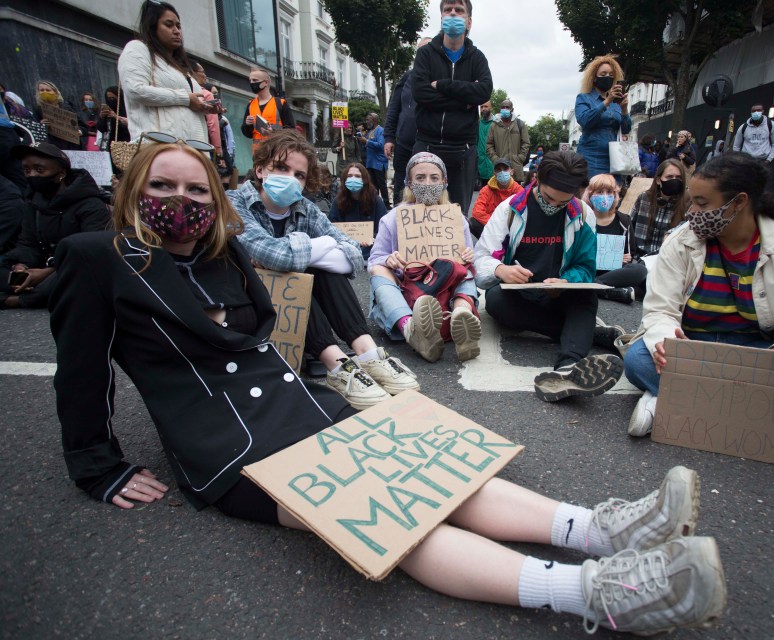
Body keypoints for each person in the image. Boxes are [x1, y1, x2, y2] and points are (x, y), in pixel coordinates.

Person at [49, 137, 728, 629]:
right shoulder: (96, 259)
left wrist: (344, 363)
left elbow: (282, 320)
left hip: (301, 403)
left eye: (197, 189)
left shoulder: (224, 251)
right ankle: (597, 590)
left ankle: (600, 528)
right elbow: (80, 369)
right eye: (162, 187)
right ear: (134, 191)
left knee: (434, 470)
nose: (181, 201)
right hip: (227, 446)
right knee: (399, 517)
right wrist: (95, 466)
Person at [623, 152, 774, 437]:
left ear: (738, 202)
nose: (692, 213)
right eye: (692, 202)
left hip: (756, 350)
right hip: (691, 344)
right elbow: (660, 311)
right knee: (638, 359)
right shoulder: (680, 242)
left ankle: (666, 399)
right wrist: (664, 338)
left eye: (702, 204)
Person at [229, 130, 417, 408]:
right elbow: (272, 255)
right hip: (250, 307)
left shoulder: (305, 208)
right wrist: (321, 246)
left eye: (299, 174)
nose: (290, 178)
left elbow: (353, 256)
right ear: (260, 169)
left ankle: (367, 354)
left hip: (292, 307)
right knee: (292, 271)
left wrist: (303, 253)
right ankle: (337, 365)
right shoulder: (236, 202)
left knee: (320, 269)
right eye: (281, 168)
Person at [475, 150, 625, 402]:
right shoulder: (509, 209)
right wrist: (501, 270)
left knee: (587, 296)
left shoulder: (584, 215)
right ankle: (589, 334)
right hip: (519, 295)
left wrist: (568, 281)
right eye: (548, 197)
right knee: (495, 300)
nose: (554, 205)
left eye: (563, 202)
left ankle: (568, 368)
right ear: (537, 179)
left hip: (560, 294)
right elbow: (480, 261)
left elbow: (586, 268)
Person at [368, 151, 482, 363]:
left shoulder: (457, 219)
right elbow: (374, 261)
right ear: (409, 183)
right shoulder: (392, 218)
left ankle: (461, 313)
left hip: (446, 289)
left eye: (434, 178)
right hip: (408, 289)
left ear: (444, 182)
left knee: (466, 269)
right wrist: (388, 260)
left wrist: (468, 255)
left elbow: (469, 258)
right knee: (378, 271)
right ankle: (411, 328)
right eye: (420, 178)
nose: (427, 183)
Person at [1, 143, 110, 309]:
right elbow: (28, 243)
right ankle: (28, 287)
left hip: (75, 266)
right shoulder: (33, 202)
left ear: (61, 174)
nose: (32, 175)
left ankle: (18, 299)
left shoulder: (91, 205)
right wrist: (20, 265)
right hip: (43, 265)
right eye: (27, 170)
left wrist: (48, 272)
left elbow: (92, 253)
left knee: (73, 277)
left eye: (39, 169)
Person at [411, 0, 493, 219]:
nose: (453, 14)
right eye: (448, 10)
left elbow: (483, 91)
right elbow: (420, 93)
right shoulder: (425, 55)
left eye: (459, 10)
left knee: (456, 217)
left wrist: (444, 85)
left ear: (469, 21)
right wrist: (464, 99)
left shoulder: (477, 58)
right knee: (421, 214)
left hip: (462, 149)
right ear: (441, 18)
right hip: (427, 144)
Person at [117, 1, 215, 145]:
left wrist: (205, 105)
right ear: (153, 26)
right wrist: (186, 99)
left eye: (178, 26)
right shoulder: (137, 49)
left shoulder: (177, 65)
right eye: (168, 25)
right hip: (157, 149)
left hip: (191, 151)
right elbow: (135, 90)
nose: (176, 31)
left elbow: (187, 106)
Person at [583, 173, 645, 304]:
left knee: (640, 270)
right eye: (599, 192)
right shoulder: (583, 219)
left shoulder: (624, 220)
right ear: (590, 194)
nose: (605, 196)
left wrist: (624, 259)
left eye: (609, 192)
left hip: (612, 273)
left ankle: (592, 286)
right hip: (587, 269)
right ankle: (609, 291)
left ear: (615, 194)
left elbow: (630, 252)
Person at [383, 38, 431, 207]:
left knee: (426, 187)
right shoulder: (406, 78)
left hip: (428, 145)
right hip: (403, 144)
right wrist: (388, 137)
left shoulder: (440, 78)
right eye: (420, 51)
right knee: (401, 189)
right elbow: (393, 109)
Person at [574, 55, 631, 178]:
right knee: (590, 194)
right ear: (594, 77)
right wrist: (606, 101)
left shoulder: (616, 103)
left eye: (611, 75)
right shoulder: (584, 98)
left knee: (612, 194)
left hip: (614, 159)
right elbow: (585, 121)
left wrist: (624, 110)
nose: (608, 77)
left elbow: (626, 129)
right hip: (590, 157)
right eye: (603, 74)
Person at [629, 158, 688, 257]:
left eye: (678, 177)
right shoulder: (644, 198)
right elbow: (630, 225)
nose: (674, 180)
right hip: (640, 258)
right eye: (669, 177)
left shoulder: (687, 204)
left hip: (667, 259)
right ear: (658, 180)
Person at [328, 163, 387, 260]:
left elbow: (383, 228)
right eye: (350, 176)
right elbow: (331, 227)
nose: (353, 179)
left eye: (358, 176)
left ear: (365, 180)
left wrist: (371, 238)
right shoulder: (338, 201)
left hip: (372, 250)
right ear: (344, 179)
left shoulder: (376, 201)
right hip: (345, 250)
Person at [470, 157, 522, 238]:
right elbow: (477, 212)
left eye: (505, 169)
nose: (502, 172)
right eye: (498, 170)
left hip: (510, 228)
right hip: (491, 227)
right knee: (473, 222)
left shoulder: (518, 190)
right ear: (495, 173)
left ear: (512, 172)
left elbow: (523, 213)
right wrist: (496, 225)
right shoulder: (486, 190)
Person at [241, 68, 295, 143]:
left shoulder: (281, 103)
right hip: (258, 152)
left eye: (255, 80)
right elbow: (247, 134)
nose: (252, 83)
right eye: (250, 80)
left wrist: (273, 130)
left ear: (266, 82)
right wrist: (247, 124)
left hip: (276, 150)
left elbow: (291, 130)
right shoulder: (251, 105)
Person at [486, 98, 530, 184]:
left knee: (515, 196)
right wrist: (495, 159)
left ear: (512, 109)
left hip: (516, 167)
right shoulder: (494, 126)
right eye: (503, 107)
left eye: (507, 107)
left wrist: (520, 158)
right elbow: (489, 145)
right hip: (500, 168)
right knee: (500, 195)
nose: (505, 109)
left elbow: (526, 143)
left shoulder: (519, 124)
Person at [189, 61, 223, 160]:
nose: (205, 75)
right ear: (192, 73)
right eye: (202, 72)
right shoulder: (206, 94)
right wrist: (218, 149)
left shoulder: (181, 91)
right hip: (203, 144)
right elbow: (212, 124)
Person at [33, 80, 81, 150]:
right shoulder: (38, 110)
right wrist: (41, 125)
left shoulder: (66, 108)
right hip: (52, 146)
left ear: (55, 92)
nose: (44, 92)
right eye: (42, 90)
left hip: (71, 145)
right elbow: (34, 131)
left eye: (48, 90)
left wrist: (79, 131)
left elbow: (82, 125)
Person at [358, 112, 390, 208]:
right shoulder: (369, 132)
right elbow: (366, 147)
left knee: (381, 184)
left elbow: (380, 145)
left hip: (379, 163)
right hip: (370, 163)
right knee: (373, 185)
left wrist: (367, 141)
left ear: (375, 120)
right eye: (366, 120)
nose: (366, 122)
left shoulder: (381, 131)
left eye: (368, 120)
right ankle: (376, 202)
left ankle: (386, 204)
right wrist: (362, 141)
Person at [476, 100, 494, 188]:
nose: (483, 109)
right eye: (481, 107)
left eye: (486, 106)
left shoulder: (497, 123)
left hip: (495, 166)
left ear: (491, 108)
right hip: (481, 166)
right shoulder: (477, 124)